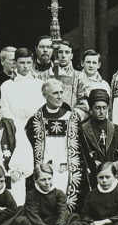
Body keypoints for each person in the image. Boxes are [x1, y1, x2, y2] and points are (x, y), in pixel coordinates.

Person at [24, 78, 84, 207]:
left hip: (67, 167)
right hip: (45, 167)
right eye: (55, 93)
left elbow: (80, 147)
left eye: (61, 92)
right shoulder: (35, 120)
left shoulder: (72, 117)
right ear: (45, 95)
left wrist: (65, 163)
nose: (59, 96)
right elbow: (30, 149)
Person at [77, 87, 118, 186]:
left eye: (104, 108)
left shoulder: (117, 130)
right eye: (97, 108)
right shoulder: (82, 130)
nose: (102, 112)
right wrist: (91, 161)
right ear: (90, 109)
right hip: (92, 177)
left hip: (113, 176)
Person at [0, 47, 45, 127]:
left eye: (28, 63)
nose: (25, 66)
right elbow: (5, 110)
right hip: (14, 127)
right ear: (15, 63)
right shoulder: (6, 86)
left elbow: (43, 107)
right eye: (22, 63)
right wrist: (16, 126)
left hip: (36, 127)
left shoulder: (40, 84)